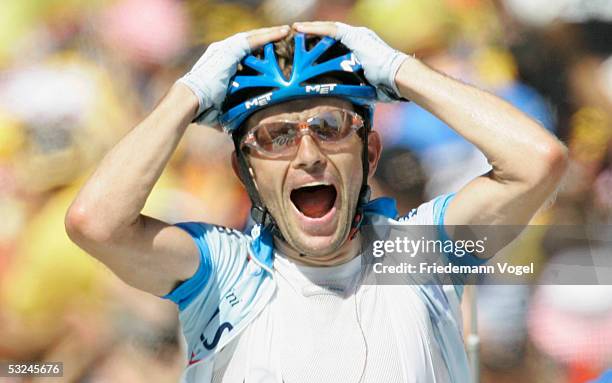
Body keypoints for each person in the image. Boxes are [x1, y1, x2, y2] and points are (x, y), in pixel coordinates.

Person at [66, 22, 567, 383]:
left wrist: (399, 69)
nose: (308, 155)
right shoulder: (225, 271)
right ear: (244, 171)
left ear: (369, 154)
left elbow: (538, 161)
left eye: (329, 128)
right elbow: (96, 223)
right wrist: (189, 94)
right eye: (276, 137)